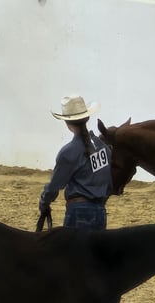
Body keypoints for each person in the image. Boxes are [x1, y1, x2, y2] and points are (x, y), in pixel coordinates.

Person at [39, 94, 112, 230]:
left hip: (78, 212)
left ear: (67, 123)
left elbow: (55, 186)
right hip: (100, 211)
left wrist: (44, 202)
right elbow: (108, 184)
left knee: (72, 251)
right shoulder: (103, 148)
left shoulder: (68, 152)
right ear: (87, 118)